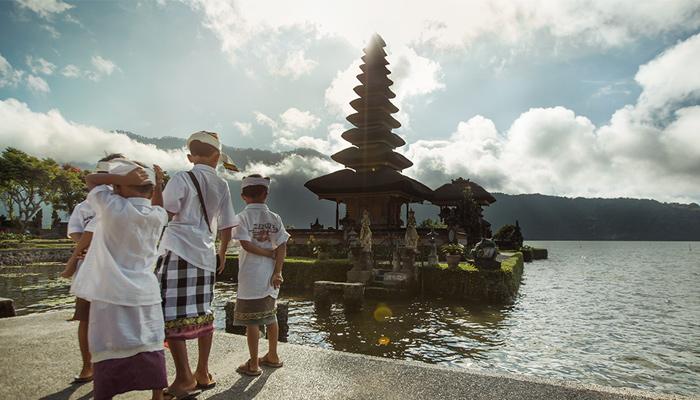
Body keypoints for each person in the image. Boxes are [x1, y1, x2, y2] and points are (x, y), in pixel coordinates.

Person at [70, 159, 168, 400]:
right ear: (152, 190)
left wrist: (120, 179)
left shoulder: (112, 207)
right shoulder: (158, 215)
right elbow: (158, 204)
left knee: (109, 346)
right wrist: (157, 185)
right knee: (151, 342)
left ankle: (105, 394)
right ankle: (157, 395)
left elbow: (92, 180)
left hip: (111, 292)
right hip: (146, 292)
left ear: (120, 187)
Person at [156, 131, 237, 397]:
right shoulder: (222, 185)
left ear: (191, 156)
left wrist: (157, 185)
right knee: (204, 311)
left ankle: (183, 378)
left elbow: (163, 213)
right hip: (205, 255)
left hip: (178, 250)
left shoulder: (182, 178)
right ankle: (202, 371)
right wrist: (222, 254)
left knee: (174, 313)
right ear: (217, 157)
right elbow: (227, 225)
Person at [62, 153, 124, 384]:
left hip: (116, 270)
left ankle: (113, 366)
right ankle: (88, 366)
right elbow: (76, 231)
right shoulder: (84, 206)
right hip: (88, 271)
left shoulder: (123, 204)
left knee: (116, 320)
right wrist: (83, 248)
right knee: (85, 318)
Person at [232, 174, 289, 376]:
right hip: (271, 275)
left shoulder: (242, 217)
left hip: (250, 275)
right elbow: (282, 245)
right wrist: (278, 271)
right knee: (270, 316)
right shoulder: (275, 218)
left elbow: (246, 244)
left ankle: (254, 364)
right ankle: (272, 356)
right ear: (266, 194)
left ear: (242, 196)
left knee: (252, 321)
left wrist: (266, 253)